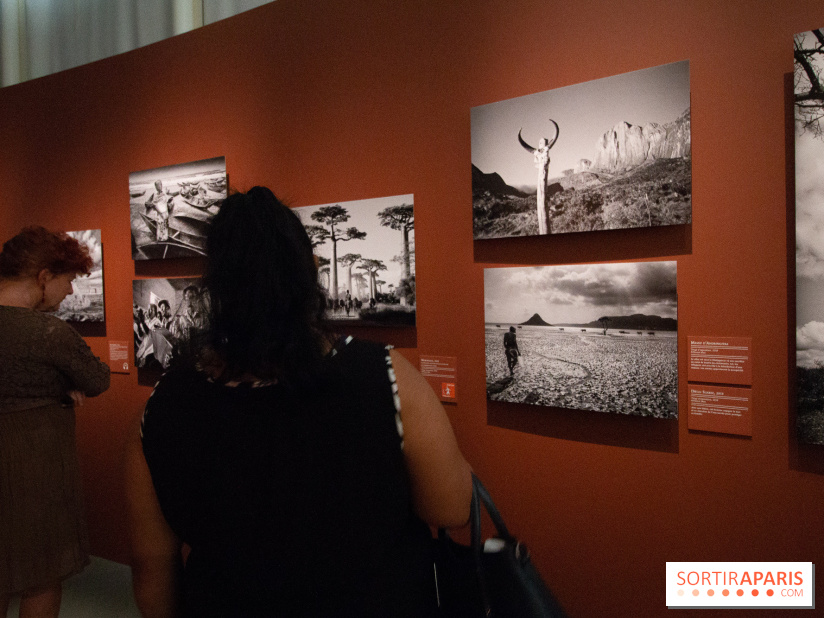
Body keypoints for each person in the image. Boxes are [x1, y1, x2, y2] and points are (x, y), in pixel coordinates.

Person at [126, 187, 472, 617]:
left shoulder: (165, 403)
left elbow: (152, 566)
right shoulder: (383, 374)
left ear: (214, 284)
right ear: (308, 273)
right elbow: (454, 507)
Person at [0, 226, 111, 618]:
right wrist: (63, 386)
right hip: (36, 466)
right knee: (42, 573)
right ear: (43, 277)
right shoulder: (49, 333)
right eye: (67, 281)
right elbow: (97, 379)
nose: (69, 293)